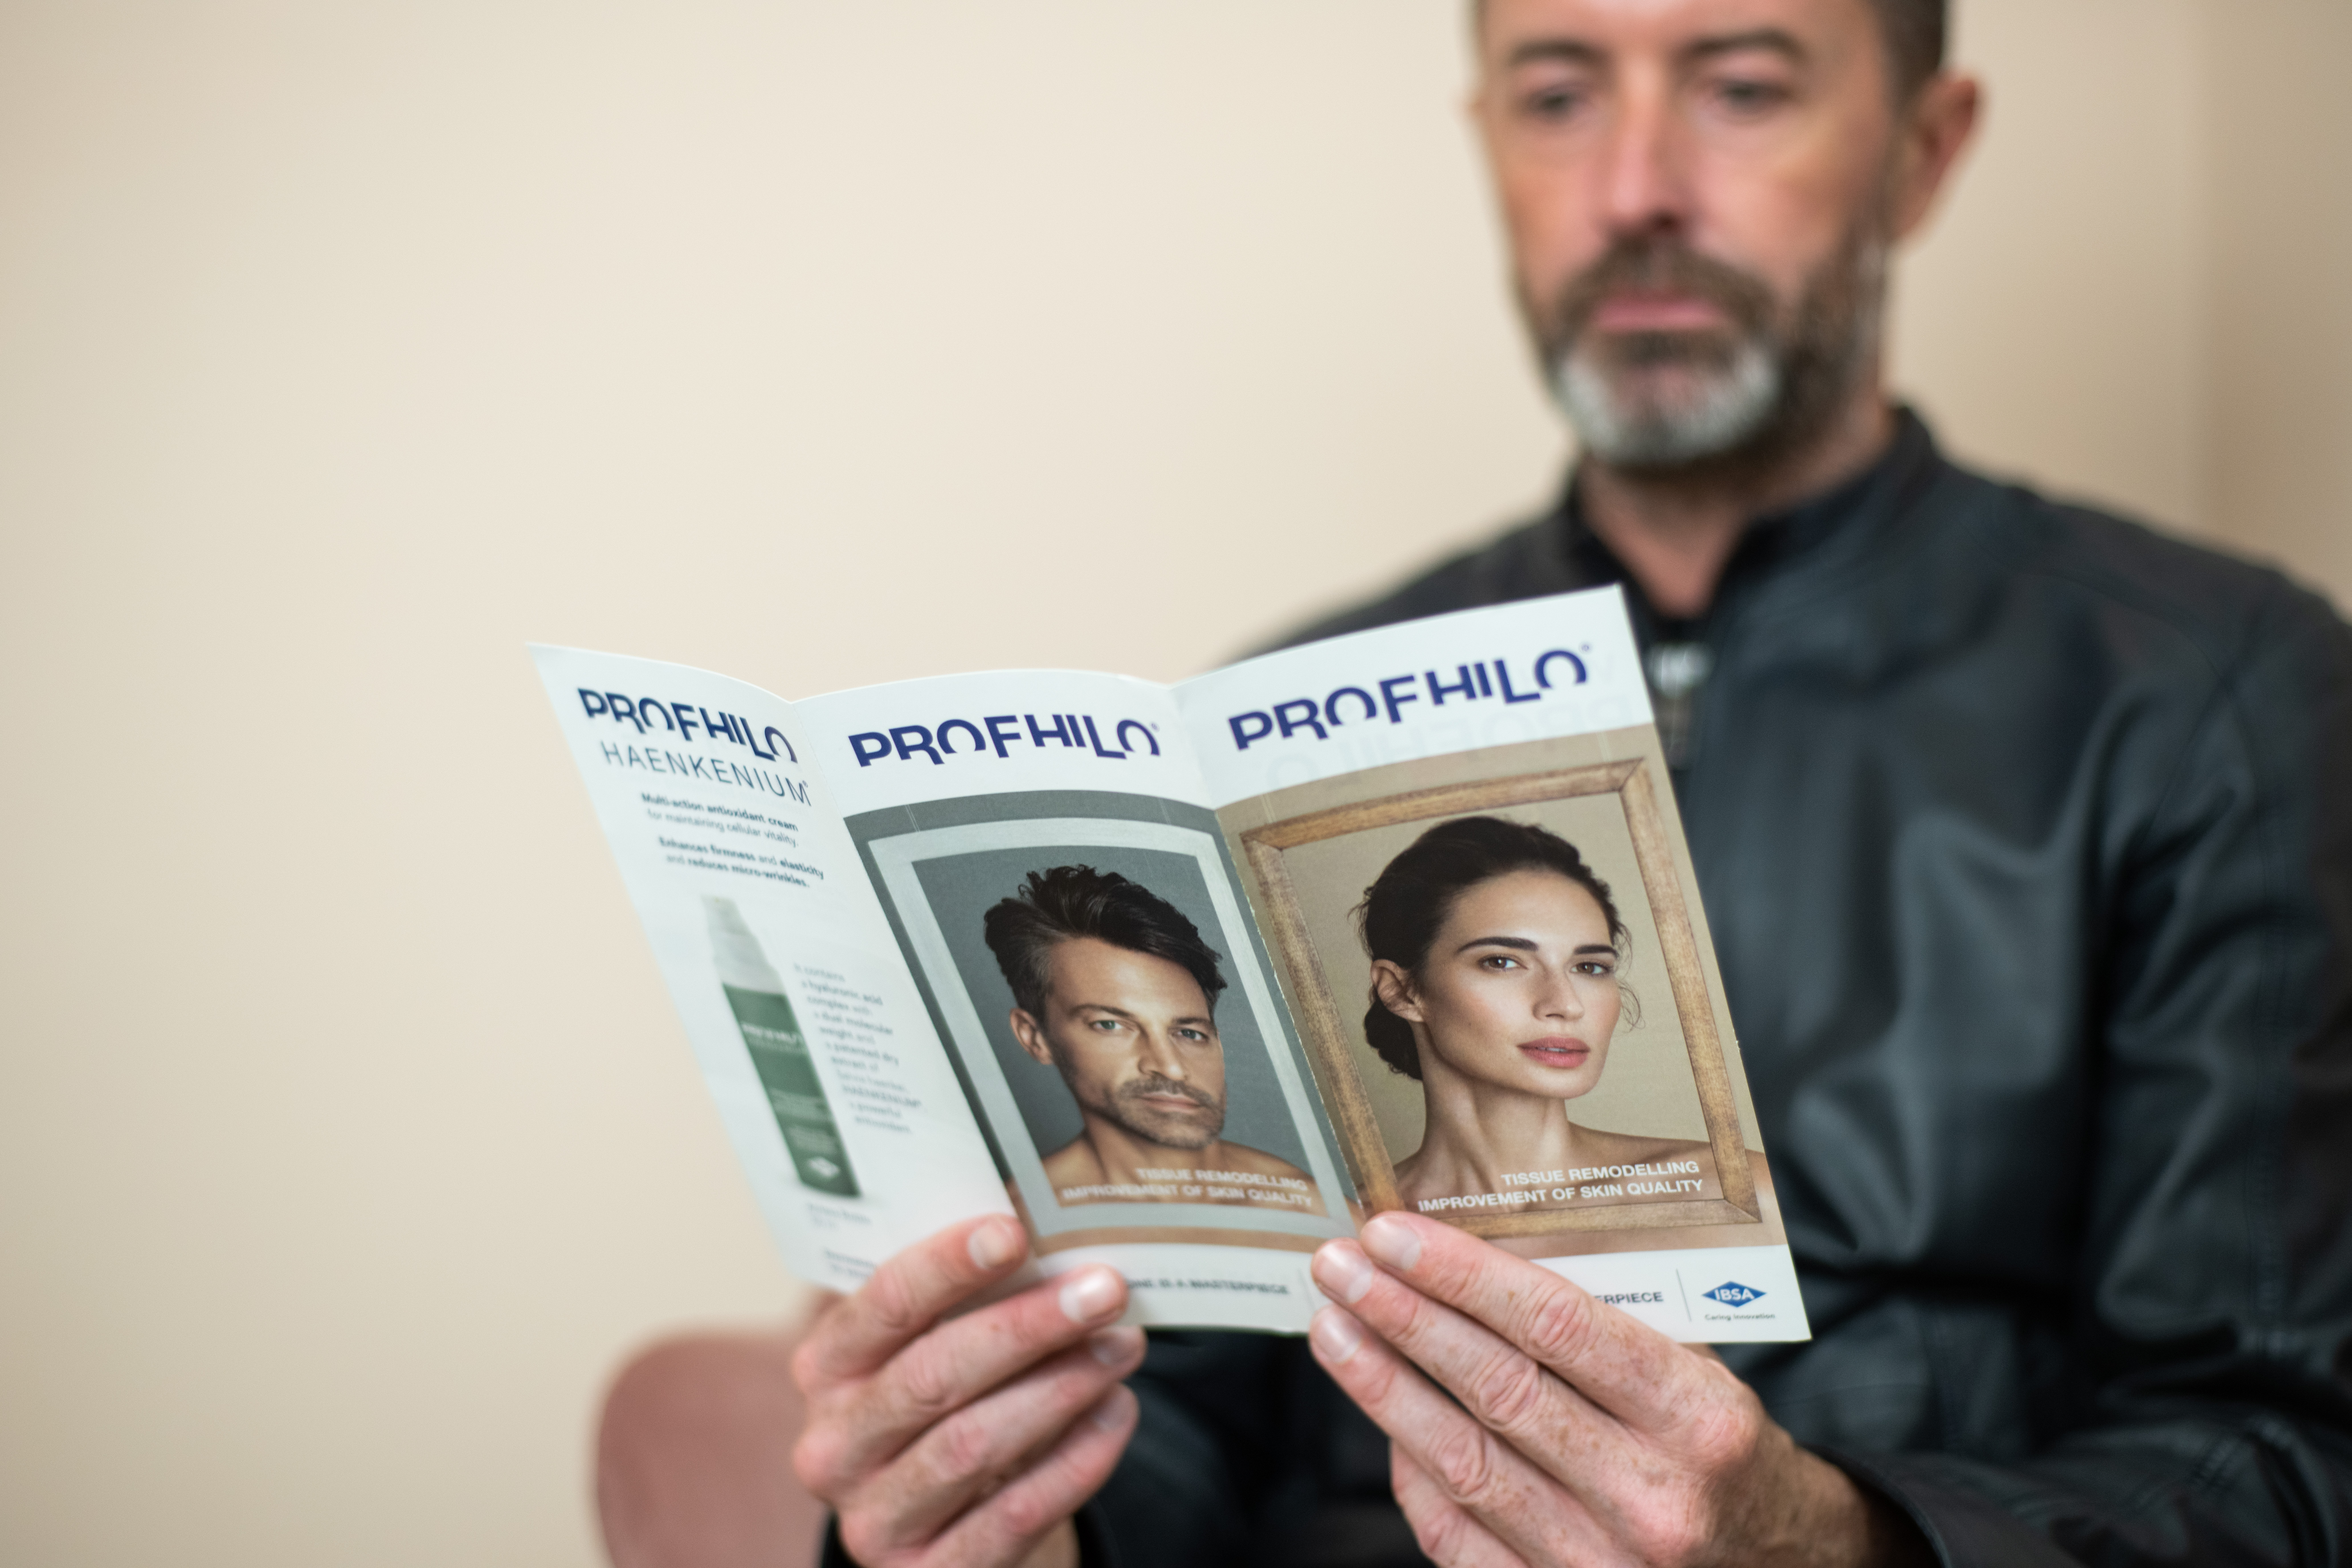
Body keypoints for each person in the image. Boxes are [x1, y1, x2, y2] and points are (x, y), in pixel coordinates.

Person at [707, 1, 2352, 1564]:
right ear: (1485, 132)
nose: (1631, 189)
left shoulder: (2209, 694)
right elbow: (1184, 1412)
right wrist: (1017, 1511)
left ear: (1924, 147)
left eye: (1741, 86)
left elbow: (2281, 1449)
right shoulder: (1267, 721)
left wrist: (1822, 1537)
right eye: (1557, 94)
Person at [1358, 815, 1734, 1216]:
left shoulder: (1724, 1190)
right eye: (1502, 962)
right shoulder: (1357, 1226)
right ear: (1401, 991)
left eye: (1589, 967)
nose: (1567, 1005)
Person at [984, 865, 1318, 1213]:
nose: (1171, 1067)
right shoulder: (1016, 1227)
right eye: (1110, 1025)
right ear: (1035, 1036)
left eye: (1190, 1033)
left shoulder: (1316, 1213)